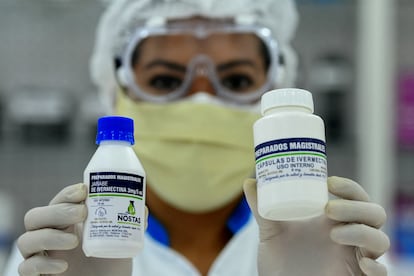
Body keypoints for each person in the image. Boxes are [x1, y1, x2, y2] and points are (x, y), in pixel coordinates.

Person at [4, 0, 390, 275]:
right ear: (115, 94)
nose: (201, 102)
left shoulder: (330, 241)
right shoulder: (68, 246)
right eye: (165, 81)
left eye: (236, 80)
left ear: (275, 95)